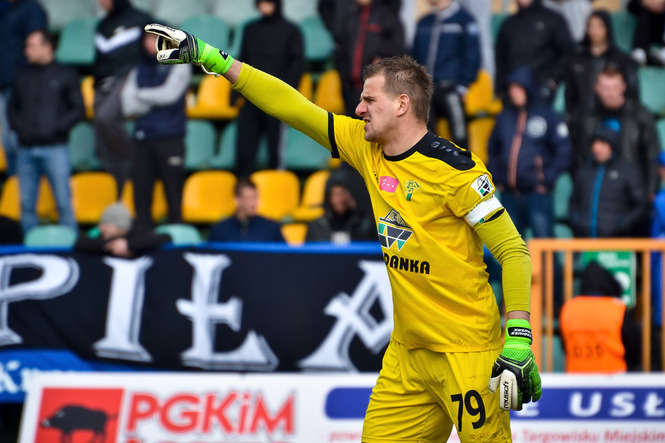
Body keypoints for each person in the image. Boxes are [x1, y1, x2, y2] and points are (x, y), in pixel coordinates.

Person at [144, 22, 541, 441]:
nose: (359, 109)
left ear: (402, 104)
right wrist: (214, 59)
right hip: (408, 356)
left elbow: (513, 251)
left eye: (369, 99)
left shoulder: (457, 172)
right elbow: (293, 107)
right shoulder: (365, 146)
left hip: (468, 354)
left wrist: (518, 337)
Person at [9, 29, 83, 234]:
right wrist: (20, 129)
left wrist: (57, 129)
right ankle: (29, 249)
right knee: (26, 204)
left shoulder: (66, 73)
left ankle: (72, 247)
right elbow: (12, 108)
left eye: (32, 46)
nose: (27, 51)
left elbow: (78, 109)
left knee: (63, 202)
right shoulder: (21, 74)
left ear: (47, 47)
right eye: (26, 46)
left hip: (55, 147)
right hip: (25, 148)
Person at [487, 66, 571, 238]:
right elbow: (493, 148)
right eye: (512, 88)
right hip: (510, 194)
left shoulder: (547, 115)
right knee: (510, 249)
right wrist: (498, 177)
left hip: (537, 193)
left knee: (545, 246)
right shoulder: (504, 117)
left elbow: (564, 151)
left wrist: (546, 177)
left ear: (528, 88)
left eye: (518, 88)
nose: (514, 93)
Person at [121, 31, 191, 231]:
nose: (150, 43)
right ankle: (143, 239)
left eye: (154, 38)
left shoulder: (179, 63)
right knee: (141, 196)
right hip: (142, 138)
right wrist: (152, 100)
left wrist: (140, 95)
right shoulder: (138, 69)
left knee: (173, 196)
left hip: (171, 137)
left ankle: (177, 239)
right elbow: (127, 106)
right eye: (147, 39)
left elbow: (169, 95)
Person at [235, 0, 304, 177]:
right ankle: (243, 195)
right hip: (251, 98)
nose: (264, 6)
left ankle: (275, 194)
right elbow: (243, 60)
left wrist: (285, 94)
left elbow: (297, 65)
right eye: (261, 2)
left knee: (275, 154)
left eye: (268, 2)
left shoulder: (291, 30)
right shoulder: (250, 29)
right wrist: (235, 93)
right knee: (244, 151)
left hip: (276, 101)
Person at [571, 66, 660, 196]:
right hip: (595, 188)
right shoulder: (585, 116)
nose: (611, 93)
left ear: (623, 87)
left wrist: (651, 190)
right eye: (606, 88)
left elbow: (652, 155)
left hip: (631, 189)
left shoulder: (640, 115)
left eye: (615, 87)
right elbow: (578, 155)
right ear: (597, 88)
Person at [93, 0, 152, 194]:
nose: (100, 2)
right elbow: (99, 59)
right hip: (103, 83)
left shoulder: (141, 19)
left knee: (105, 117)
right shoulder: (102, 25)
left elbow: (154, 48)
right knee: (101, 134)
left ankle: (133, 162)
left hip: (127, 80)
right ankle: (117, 178)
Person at [411, 0, 480, 148]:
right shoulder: (424, 22)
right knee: (426, 139)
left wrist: (463, 86)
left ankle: (464, 170)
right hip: (426, 91)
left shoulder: (464, 20)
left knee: (460, 137)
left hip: (452, 89)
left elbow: (473, 55)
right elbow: (414, 56)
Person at [326, 0, 406, 116]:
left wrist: (380, 62)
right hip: (349, 86)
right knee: (352, 125)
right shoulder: (349, 15)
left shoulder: (387, 16)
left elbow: (397, 48)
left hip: (376, 88)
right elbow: (342, 46)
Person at [560, 261, 641, 372]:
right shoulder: (618, 309)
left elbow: (564, 346)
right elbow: (634, 349)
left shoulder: (568, 308)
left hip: (576, 380)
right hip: (614, 381)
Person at [568, 127, 649, 238]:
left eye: (602, 144)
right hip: (585, 240)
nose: (597, 148)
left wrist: (622, 224)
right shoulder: (584, 171)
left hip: (616, 242)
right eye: (595, 144)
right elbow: (574, 201)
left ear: (612, 147)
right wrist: (578, 221)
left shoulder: (627, 171)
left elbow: (641, 204)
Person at [0, 0, 46, 176]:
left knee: (20, 140)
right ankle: (15, 187)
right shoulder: (3, 8)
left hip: (24, 86)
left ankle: (28, 185)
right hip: (4, 85)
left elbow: (37, 47)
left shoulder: (32, 9)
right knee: (8, 142)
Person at [494, 0, 574, 102]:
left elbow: (568, 52)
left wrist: (554, 79)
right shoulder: (508, 24)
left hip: (541, 91)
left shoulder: (553, 19)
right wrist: (501, 89)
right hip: (513, 93)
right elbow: (500, 59)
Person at [564, 10, 639, 116]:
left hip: (615, 118)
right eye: (591, 26)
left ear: (607, 28)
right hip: (582, 118)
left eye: (599, 26)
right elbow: (570, 95)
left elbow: (632, 95)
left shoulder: (622, 60)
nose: (594, 31)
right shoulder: (576, 60)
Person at [305, 164, 376, 243]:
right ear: (329, 197)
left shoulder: (364, 225)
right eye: (337, 194)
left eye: (344, 194)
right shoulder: (317, 226)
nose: (341, 199)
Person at [74, 202, 171, 257]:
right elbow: (80, 242)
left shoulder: (138, 232)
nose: (101, 228)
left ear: (120, 226)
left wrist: (128, 245)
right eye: (101, 224)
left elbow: (165, 237)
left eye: (106, 225)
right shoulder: (98, 234)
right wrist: (108, 246)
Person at [209, 178, 285, 243]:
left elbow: (286, 256)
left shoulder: (272, 228)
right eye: (249, 198)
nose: (254, 203)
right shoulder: (220, 230)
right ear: (237, 200)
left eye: (255, 198)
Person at [627, 0, 665, 65]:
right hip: (646, 33)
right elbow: (630, 6)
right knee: (645, 12)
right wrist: (645, 2)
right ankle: (639, 51)